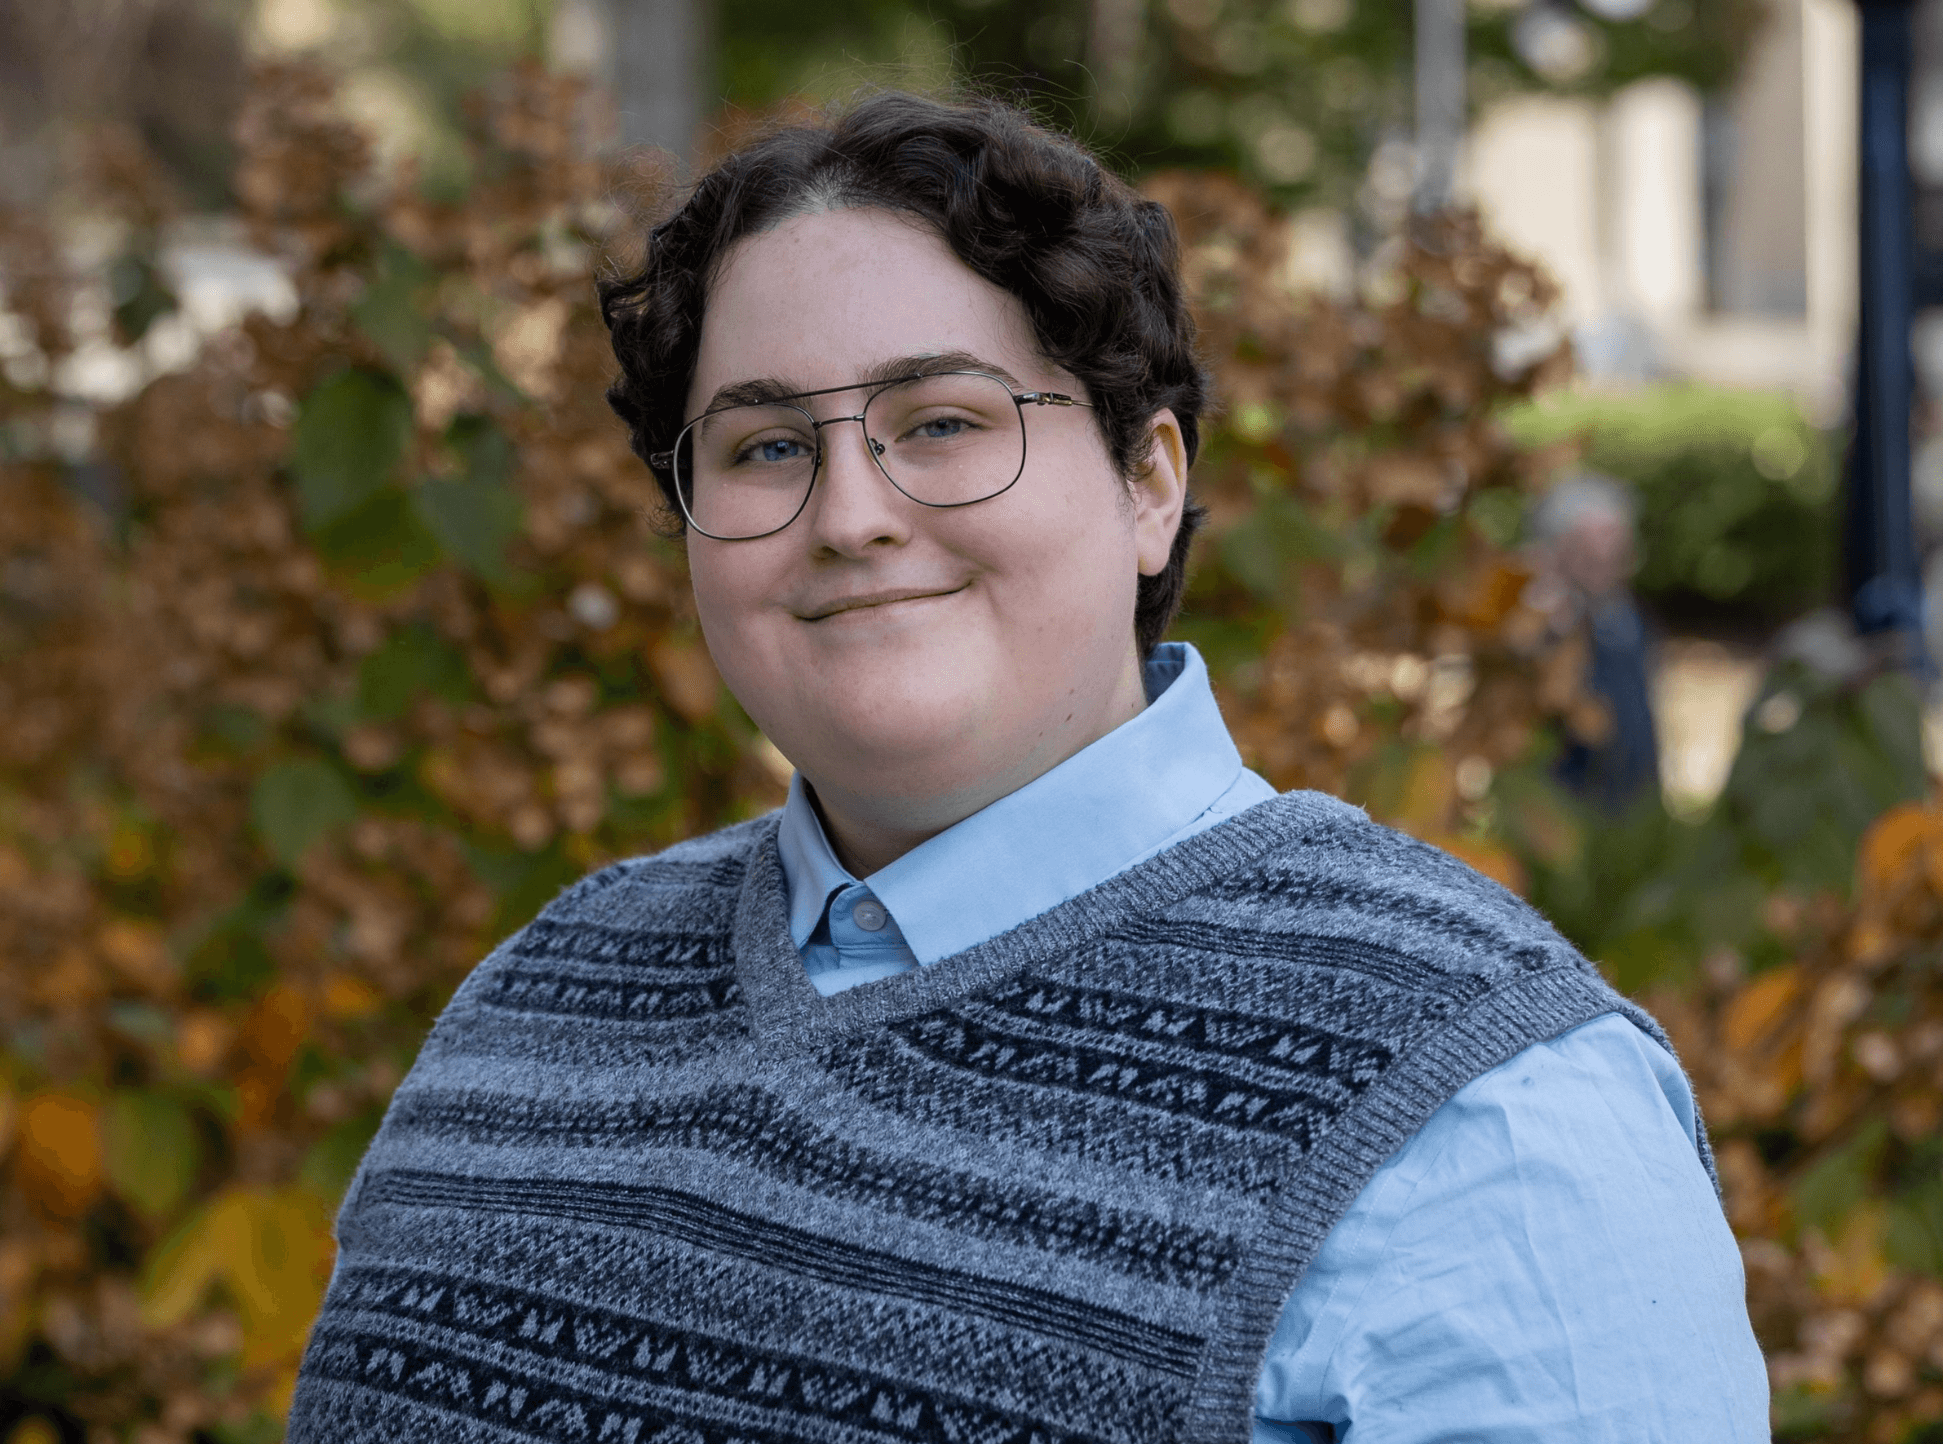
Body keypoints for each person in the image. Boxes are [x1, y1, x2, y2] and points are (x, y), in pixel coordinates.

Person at [287, 93, 1768, 1442]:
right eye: (762, 448)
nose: (849, 513)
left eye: (941, 423)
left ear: (1148, 483)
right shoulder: (536, 1007)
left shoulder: (1478, 1106)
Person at [1536, 473, 1662, 811]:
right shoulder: (1544, 620)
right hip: (1567, 807)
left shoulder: (1624, 615)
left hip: (1631, 802)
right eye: (1589, 553)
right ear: (1557, 549)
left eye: (1616, 549)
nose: (1606, 561)